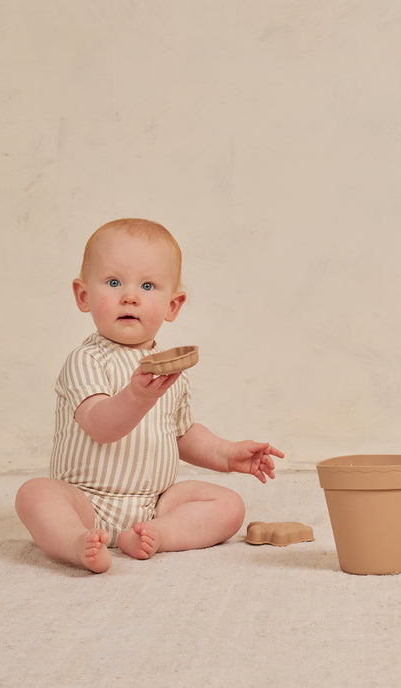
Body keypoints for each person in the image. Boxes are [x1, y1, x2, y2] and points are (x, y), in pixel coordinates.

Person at [15, 218, 284, 573]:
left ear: (173, 305)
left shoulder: (167, 369)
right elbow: (100, 425)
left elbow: (181, 434)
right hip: (84, 501)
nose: (130, 296)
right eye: (113, 282)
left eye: (148, 285)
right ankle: (74, 541)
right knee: (35, 494)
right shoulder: (85, 360)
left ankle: (155, 533)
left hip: (153, 501)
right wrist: (138, 397)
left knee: (228, 504)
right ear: (84, 296)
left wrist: (227, 454)